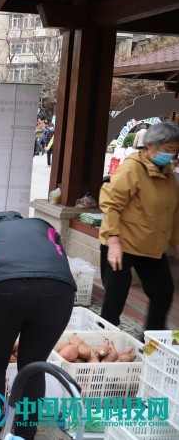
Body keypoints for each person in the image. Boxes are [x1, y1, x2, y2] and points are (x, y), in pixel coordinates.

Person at [0, 211, 76, 440]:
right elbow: (59, 262)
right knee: (33, 367)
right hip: (57, 291)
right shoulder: (45, 228)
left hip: (1, 289)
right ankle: (24, 434)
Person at [99, 122, 179, 330]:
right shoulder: (132, 168)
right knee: (116, 295)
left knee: (163, 291)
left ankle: (152, 341)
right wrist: (113, 239)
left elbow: (174, 210)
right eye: (167, 149)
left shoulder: (167, 173)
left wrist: (176, 241)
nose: (170, 155)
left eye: (174, 150)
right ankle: (104, 340)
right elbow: (111, 202)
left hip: (151, 244)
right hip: (121, 242)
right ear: (150, 145)